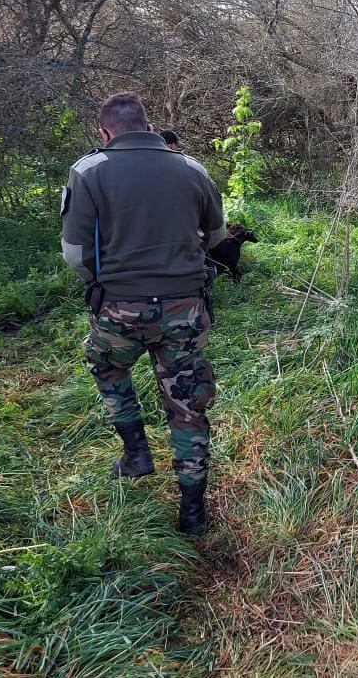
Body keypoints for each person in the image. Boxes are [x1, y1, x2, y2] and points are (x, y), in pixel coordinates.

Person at [61, 92, 226, 536]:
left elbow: (76, 255)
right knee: (188, 404)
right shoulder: (192, 169)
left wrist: (107, 284)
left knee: (105, 363)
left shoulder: (88, 170)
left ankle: (136, 454)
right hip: (184, 310)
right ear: (150, 128)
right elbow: (217, 236)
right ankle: (193, 513)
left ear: (104, 133)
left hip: (119, 309)